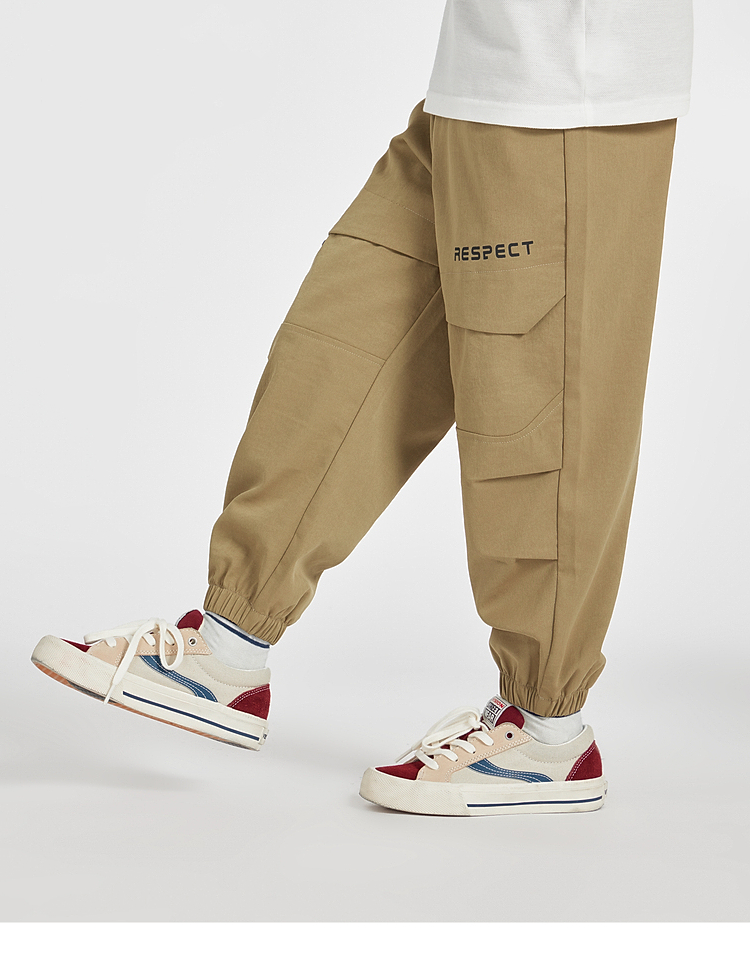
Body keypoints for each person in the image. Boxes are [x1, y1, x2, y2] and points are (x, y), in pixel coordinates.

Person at [31, 1, 694, 817]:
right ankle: (228, 648)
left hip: (569, 85)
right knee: (343, 341)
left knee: (536, 402)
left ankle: (547, 730)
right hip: (482, 72)